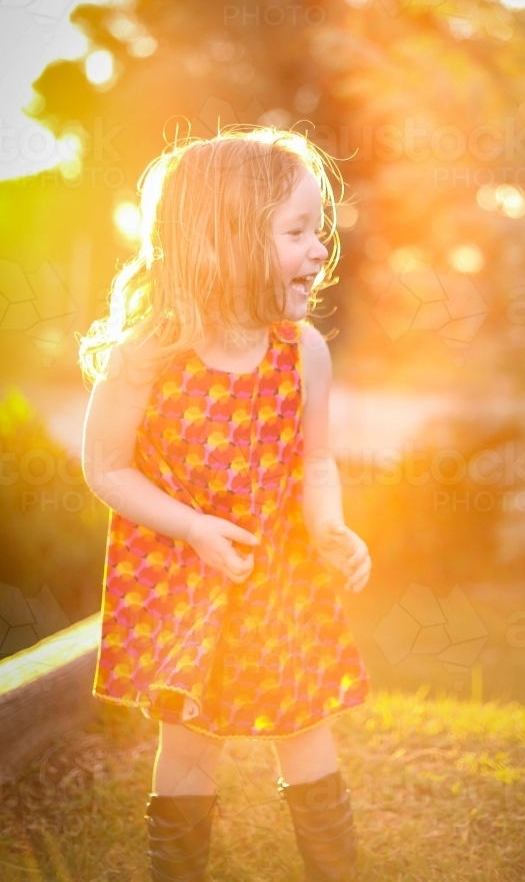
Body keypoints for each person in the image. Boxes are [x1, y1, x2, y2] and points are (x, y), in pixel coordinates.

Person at [79, 128, 372, 882]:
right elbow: (106, 466)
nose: (320, 250)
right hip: (185, 580)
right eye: (298, 231)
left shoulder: (302, 350)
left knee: (305, 724)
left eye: (320, 230)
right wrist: (191, 527)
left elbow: (315, 462)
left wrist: (329, 526)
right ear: (228, 239)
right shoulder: (149, 352)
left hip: (282, 577)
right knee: (189, 739)